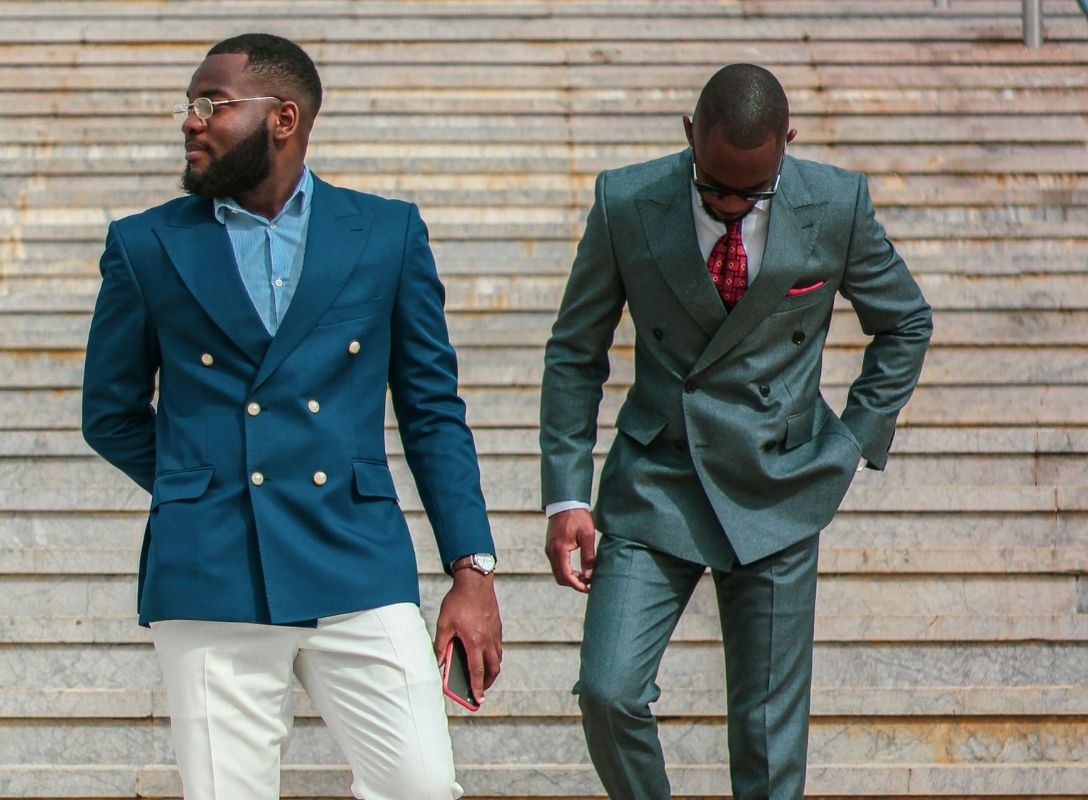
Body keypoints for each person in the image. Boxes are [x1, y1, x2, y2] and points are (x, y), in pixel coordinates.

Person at [81, 33, 502, 800]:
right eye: (189, 105)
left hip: (356, 554)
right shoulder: (144, 244)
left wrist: (470, 570)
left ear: (283, 118)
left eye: (212, 103)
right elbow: (109, 413)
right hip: (211, 568)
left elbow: (432, 410)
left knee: (420, 785)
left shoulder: (386, 233)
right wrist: (202, 484)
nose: (191, 120)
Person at [540, 64, 932, 799]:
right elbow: (574, 351)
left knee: (767, 744)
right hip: (656, 482)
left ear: (789, 142)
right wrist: (566, 496)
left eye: (751, 192)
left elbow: (905, 321)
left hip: (780, 485)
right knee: (608, 690)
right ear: (689, 135)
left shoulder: (836, 203)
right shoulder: (626, 200)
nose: (728, 204)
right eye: (712, 185)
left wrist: (852, 440)